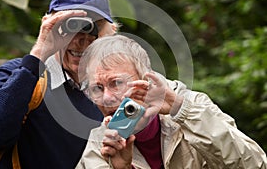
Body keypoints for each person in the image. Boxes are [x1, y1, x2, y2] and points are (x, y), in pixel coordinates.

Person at [0, 0, 117, 168]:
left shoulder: (107, 93)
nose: (81, 40)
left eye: (93, 28)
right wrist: (39, 53)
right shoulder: (22, 74)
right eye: (70, 26)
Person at [76, 35, 267, 169]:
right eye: (97, 88)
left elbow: (254, 164)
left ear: (146, 80)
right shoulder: (99, 143)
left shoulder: (193, 107)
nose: (107, 98)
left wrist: (180, 109)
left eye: (116, 83)